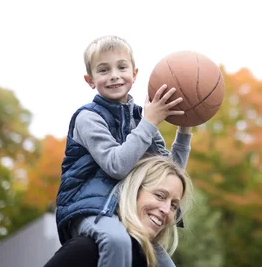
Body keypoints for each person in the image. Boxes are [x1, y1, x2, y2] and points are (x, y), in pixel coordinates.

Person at [55, 35, 193, 267]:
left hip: (124, 213)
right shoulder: (88, 118)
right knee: (116, 241)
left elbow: (169, 172)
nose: (114, 76)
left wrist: (185, 129)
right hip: (90, 209)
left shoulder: (141, 119)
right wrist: (149, 124)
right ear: (90, 80)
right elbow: (116, 166)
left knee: (166, 264)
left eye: (121, 67)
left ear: (134, 74)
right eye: (103, 70)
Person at [45, 155, 192, 267]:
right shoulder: (87, 250)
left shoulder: (154, 262)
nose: (166, 210)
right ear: (134, 192)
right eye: (159, 196)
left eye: (174, 205)